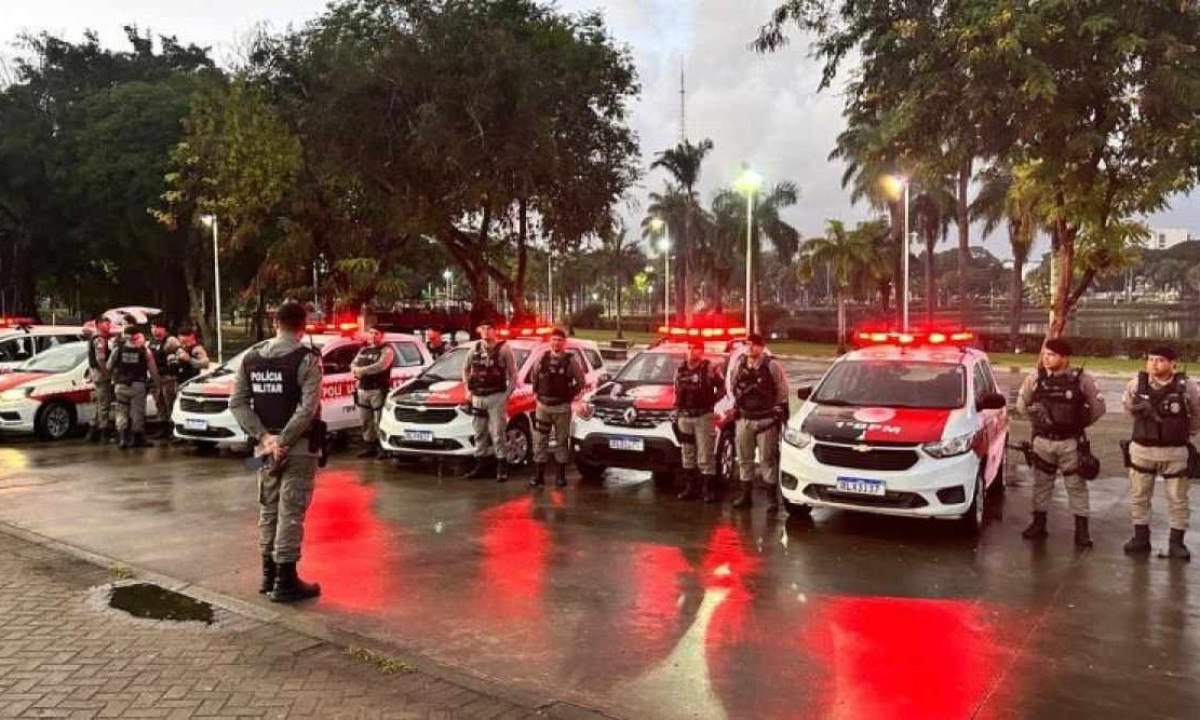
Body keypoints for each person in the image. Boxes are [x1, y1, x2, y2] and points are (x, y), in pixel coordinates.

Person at [229, 300, 323, 603]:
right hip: (297, 449)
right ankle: (285, 580)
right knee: (290, 512)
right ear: (303, 326)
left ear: (275, 324)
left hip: (264, 449)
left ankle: (268, 576)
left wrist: (265, 438)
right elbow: (307, 409)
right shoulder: (307, 360)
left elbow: (237, 403)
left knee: (268, 510)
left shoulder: (251, 358)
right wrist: (282, 441)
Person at [1015, 338, 1107, 548]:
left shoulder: (1082, 380)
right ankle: (1038, 523)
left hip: (1071, 442)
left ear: (1065, 358)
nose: (1047, 359)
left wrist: (1076, 424)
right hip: (1043, 442)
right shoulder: (1035, 378)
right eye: (1045, 354)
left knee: (1076, 486)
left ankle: (1082, 531)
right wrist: (1040, 423)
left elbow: (1098, 409)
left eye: (1052, 355)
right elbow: (1022, 406)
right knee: (1041, 484)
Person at [1121, 345, 1200, 559]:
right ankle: (1140, 538)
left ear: (1172, 364)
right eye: (1151, 360)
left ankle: (1176, 543)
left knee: (1178, 499)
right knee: (1139, 496)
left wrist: (1183, 433)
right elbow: (1128, 408)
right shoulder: (1137, 384)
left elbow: (1196, 414)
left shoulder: (1187, 387)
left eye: (1160, 360)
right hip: (1142, 450)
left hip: (1175, 452)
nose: (1154, 364)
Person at [731, 334, 790, 511]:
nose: (750, 348)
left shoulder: (772, 365)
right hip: (745, 418)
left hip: (766, 420)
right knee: (744, 459)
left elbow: (782, 391)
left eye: (754, 345)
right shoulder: (740, 364)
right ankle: (745, 496)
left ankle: (771, 498)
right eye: (748, 344)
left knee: (767, 460)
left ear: (762, 347)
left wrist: (777, 412)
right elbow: (733, 386)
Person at [462, 322, 520, 481]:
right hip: (478, 397)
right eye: (483, 329)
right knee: (479, 432)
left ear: (495, 330)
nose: (486, 332)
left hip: (496, 397)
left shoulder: (504, 349)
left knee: (497, 433)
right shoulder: (474, 348)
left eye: (489, 328)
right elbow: (465, 369)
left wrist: (507, 394)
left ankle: (502, 466)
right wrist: (467, 390)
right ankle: (480, 464)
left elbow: (513, 374)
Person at [528, 328, 584, 488]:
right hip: (543, 407)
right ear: (549, 341)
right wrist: (538, 394)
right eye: (553, 339)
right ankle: (539, 477)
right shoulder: (541, 358)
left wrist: (569, 395)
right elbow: (534, 377)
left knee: (561, 441)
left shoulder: (570, 360)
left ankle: (560, 477)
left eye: (559, 340)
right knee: (540, 441)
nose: (556, 342)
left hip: (562, 408)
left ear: (564, 342)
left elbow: (580, 381)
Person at [673, 339, 726, 503]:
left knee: (705, 454)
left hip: (703, 416)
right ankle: (690, 488)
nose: (691, 351)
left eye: (695, 349)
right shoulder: (680, 369)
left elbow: (723, 388)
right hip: (685, 416)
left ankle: (707, 490)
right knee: (687, 452)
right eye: (689, 348)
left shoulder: (709, 368)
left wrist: (711, 401)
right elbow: (676, 390)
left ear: (701, 351)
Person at [107, 327, 161, 449]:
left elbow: (109, 366)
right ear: (136, 335)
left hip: (121, 385)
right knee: (138, 413)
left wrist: (113, 378)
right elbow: (153, 369)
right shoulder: (143, 350)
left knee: (121, 411)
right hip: (138, 385)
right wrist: (157, 384)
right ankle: (137, 439)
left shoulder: (118, 349)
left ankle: (122, 439)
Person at [351, 327, 396, 459]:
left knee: (379, 420)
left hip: (377, 389)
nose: (373, 336)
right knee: (365, 421)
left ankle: (382, 448)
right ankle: (369, 447)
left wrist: (362, 371)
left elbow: (381, 366)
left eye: (376, 333)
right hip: (363, 389)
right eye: (371, 333)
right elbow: (353, 364)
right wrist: (356, 370)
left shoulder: (387, 350)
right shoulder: (363, 350)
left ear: (382, 335)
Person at [148, 320, 181, 440]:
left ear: (164, 329)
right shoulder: (152, 342)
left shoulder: (171, 341)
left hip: (168, 377)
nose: (154, 330)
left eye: (157, 327)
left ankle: (174, 430)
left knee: (169, 403)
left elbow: (178, 356)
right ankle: (162, 428)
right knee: (159, 404)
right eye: (152, 327)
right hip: (156, 378)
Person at [85, 316, 116, 443]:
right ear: (98, 324)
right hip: (101, 375)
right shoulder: (100, 339)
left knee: (99, 404)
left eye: (109, 323)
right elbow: (100, 359)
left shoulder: (94, 338)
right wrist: (108, 373)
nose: (108, 326)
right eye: (105, 323)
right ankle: (104, 433)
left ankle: (92, 432)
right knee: (104, 404)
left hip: (96, 375)